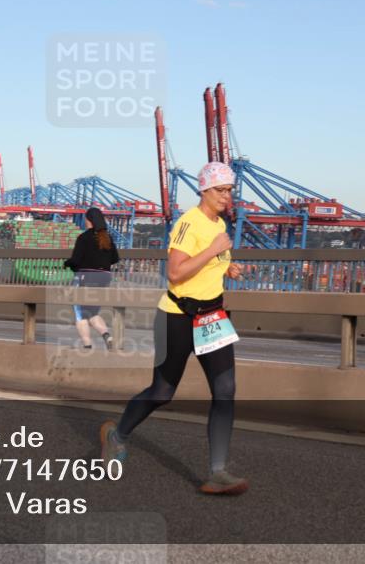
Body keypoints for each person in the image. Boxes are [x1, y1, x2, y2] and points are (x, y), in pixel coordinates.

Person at [100, 161, 249, 495]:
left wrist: (229, 268)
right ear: (205, 191)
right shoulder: (188, 222)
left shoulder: (219, 224)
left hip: (212, 318)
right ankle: (117, 434)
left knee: (225, 390)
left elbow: (209, 265)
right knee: (162, 392)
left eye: (230, 191)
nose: (227, 197)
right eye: (221, 191)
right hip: (177, 317)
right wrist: (214, 250)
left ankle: (217, 472)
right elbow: (176, 273)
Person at [64, 207, 120, 350]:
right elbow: (114, 259)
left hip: (86, 277)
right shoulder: (108, 238)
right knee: (93, 312)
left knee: (80, 314)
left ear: (88, 220)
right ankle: (107, 335)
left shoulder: (83, 237)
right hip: (104, 278)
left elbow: (76, 260)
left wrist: (67, 263)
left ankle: (87, 345)